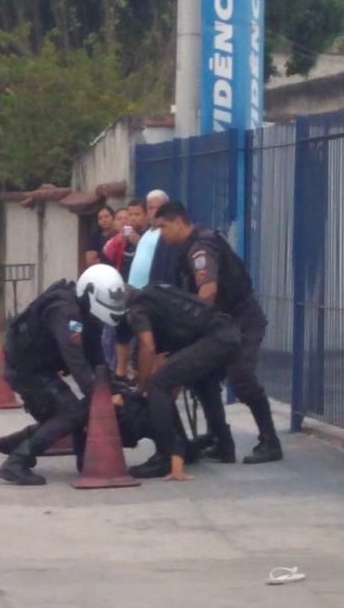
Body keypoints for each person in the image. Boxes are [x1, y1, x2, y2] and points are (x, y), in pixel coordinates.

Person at [154, 200, 283, 464]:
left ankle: (270, 441)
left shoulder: (201, 248)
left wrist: (193, 327)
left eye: (163, 227)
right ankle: (220, 439)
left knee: (241, 377)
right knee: (203, 379)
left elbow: (208, 290)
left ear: (179, 221)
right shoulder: (189, 247)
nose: (162, 234)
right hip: (222, 324)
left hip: (241, 321)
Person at [83, 266, 241, 480]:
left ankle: (166, 457)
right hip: (224, 332)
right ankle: (220, 445)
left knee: (158, 384)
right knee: (192, 385)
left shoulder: (136, 309)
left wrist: (141, 388)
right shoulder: (152, 296)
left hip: (215, 337)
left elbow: (147, 347)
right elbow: (163, 356)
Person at [0, 272, 106, 486]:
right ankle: (16, 462)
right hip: (26, 370)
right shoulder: (65, 312)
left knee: (71, 411)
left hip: (39, 368)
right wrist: (99, 396)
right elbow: (77, 361)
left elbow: (95, 354)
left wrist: (109, 383)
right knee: (72, 412)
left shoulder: (86, 310)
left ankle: (18, 442)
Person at [126, 190, 170, 288]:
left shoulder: (166, 233)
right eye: (151, 208)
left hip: (150, 294)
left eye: (158, 207)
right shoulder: (148, 232)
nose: (154, 211)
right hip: (134, 291)